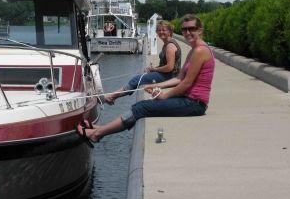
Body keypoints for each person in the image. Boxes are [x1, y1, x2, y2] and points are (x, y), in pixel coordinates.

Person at [78, 14, 214, 144]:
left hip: (194, 104)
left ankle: (97, 134)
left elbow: (186, 83)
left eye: (192, 29)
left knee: (142, 107)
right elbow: (179, 79)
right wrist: (156, 87)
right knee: (143, 104)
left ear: (200, 30)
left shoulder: (200, 51)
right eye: (184, 29)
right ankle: (101, 129)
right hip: (188, 100)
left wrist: (164, 96)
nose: (187, 32)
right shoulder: (194, 50)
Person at [102, 20, 181, 105]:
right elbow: (166, 65)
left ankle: (111, 97)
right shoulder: (167, 44)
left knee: (137, 80)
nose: (161, 32)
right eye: (159, 30)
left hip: (169, 76)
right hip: (167, 74)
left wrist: (155, 69)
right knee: (138, 78)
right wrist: (154, 69)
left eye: (164, 30)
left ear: (169, 32)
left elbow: (169, 67)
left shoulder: (170, 46)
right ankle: (112, 96)